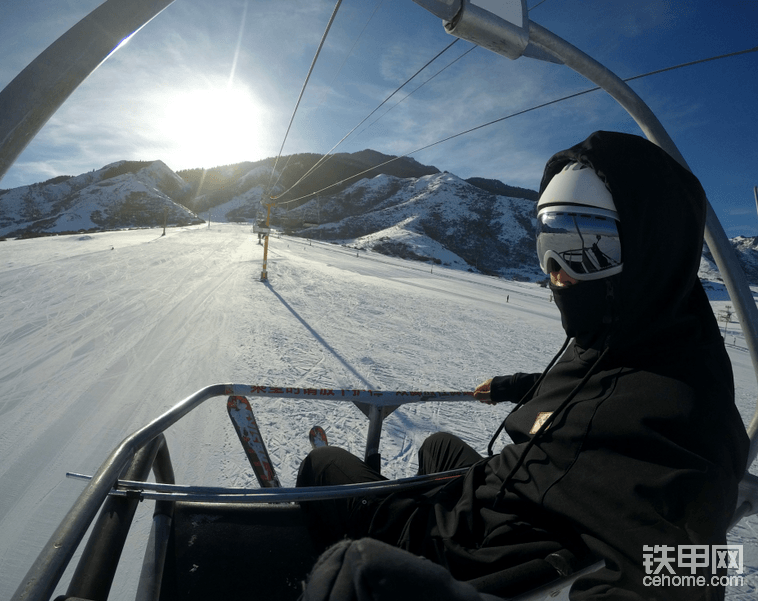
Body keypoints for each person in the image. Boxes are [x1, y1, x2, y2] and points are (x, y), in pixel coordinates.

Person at [296, 131, 749, 601]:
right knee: (437, 444)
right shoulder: (636, 333)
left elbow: (683, 573)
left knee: (324, 465)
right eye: (549, 239)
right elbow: (588, 391)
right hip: (503, 489)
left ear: (652, 247)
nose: (557, 271)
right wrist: (510, 386)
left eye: (585, 244)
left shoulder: (688, 426)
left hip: (466, 546)